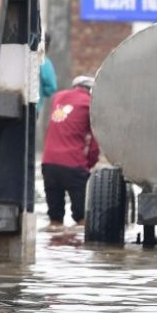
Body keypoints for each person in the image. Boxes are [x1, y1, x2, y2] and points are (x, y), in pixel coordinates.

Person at [42, 76, 99, 229]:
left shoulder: (58, 97)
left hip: (48, 162)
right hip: (73, 164)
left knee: (54, 221)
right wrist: (89, 164)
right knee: (82, 220)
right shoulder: (90, 104)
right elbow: (94, 144)